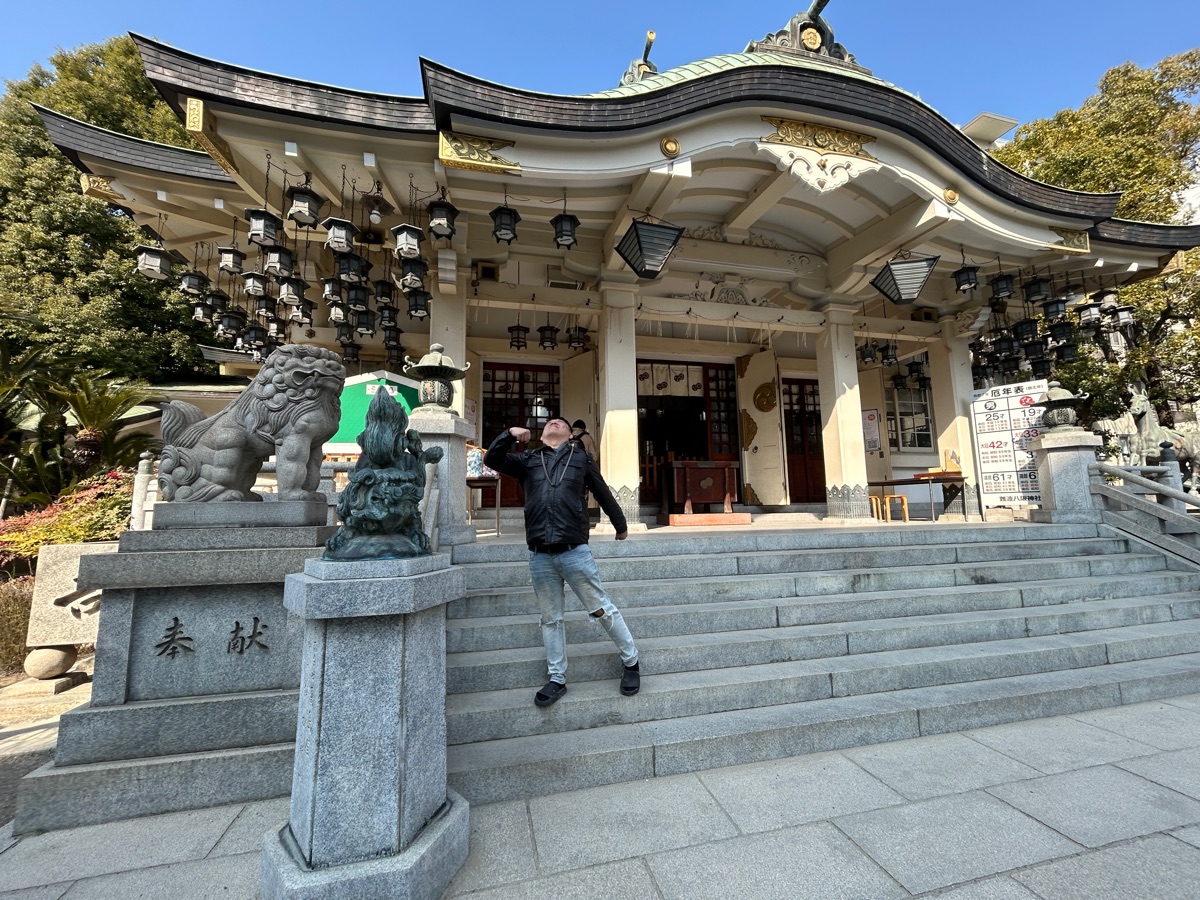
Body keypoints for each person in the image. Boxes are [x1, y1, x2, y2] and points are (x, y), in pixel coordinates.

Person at [485, 416, 640, 707]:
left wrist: (620, 525)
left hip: (574, 550)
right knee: (550, 619)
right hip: (540, 554)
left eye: (560, 422)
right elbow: (493, 459)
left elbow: (602, 491)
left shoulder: (581, 459)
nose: (554, 422)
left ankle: (631, 661)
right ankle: (557, 678)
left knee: (601, 609)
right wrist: (508, 433)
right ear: (542, 435)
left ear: (570, 435)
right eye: (550, 422)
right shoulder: (528, 460)